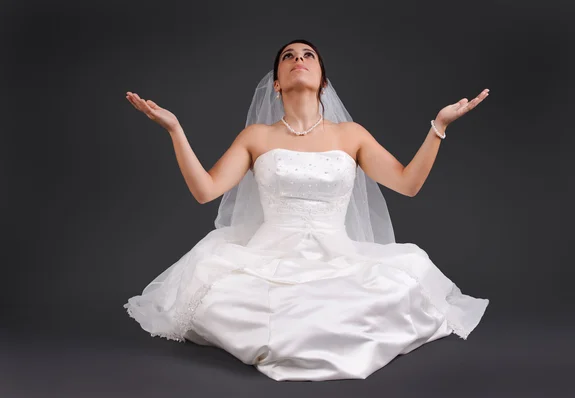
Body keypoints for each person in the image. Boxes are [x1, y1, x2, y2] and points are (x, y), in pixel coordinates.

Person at [123, 39, 491, 382]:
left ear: (324, 83)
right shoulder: (256, 137)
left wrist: (438, 127)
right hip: (269, 256)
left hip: (337, 253)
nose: (298, 59)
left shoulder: (351, 135)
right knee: (222, 293)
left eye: (308, 55)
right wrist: (175, 130)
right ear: (277, 85)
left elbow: (408, 184)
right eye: (288, 56)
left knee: (403, 277)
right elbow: (205, 191)